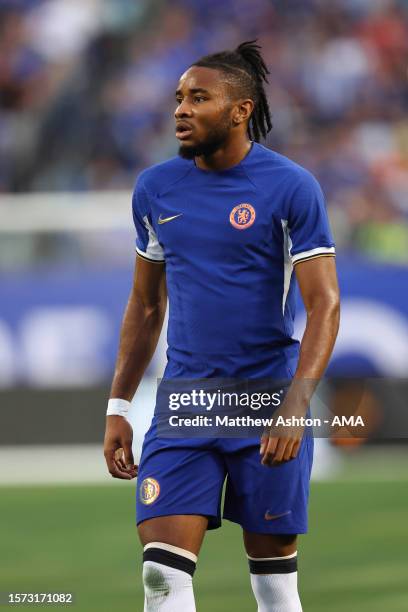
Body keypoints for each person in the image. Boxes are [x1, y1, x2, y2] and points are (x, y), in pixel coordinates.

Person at [103, 40, 340, 612]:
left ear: (240, 110)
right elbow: (145, 307)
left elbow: (325, 305)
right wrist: (119, 407)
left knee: (274, 586)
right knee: (162, 576)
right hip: (185, 402)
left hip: (267, 401)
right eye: (178, 98)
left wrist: (296, 402)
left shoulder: (290, 187)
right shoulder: (155, 189)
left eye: (198, 98)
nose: (181, 109)